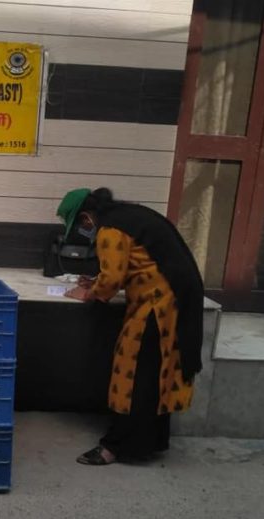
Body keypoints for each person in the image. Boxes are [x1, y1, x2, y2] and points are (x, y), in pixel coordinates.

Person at [61, 187, 204, 465]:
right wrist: (96, 282)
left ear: (86, 218)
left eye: (80, 226)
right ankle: (152, 442)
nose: (83, 231)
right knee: (156, 372)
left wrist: (89, 293)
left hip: (157, 307)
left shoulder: (109, 229)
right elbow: (139, 263)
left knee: (133, 374)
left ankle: (115, 446)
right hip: (175, 301)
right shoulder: (130, 215)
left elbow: (113, 278)